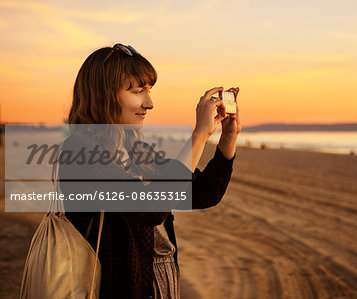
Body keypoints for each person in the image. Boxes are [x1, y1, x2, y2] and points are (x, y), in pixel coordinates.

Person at [56, 43, 240, 299]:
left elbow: (204, 193)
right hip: (114, 288)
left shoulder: (137, 150)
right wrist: (199, 134)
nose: (149, 102)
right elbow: (150, 207)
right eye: (138, 90)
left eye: (149, 90)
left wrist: (228, 138)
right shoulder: (79, 153)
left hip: (162, 282)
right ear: (104, 94)